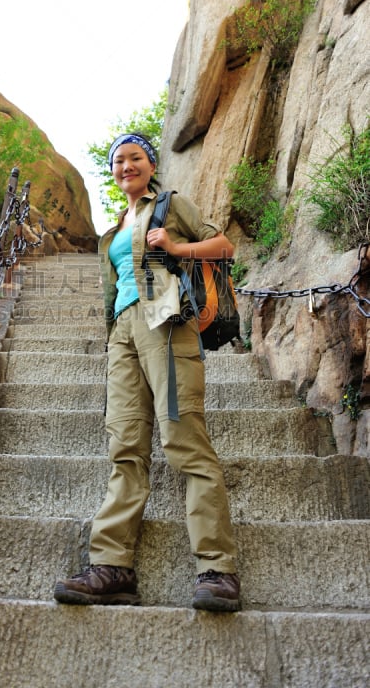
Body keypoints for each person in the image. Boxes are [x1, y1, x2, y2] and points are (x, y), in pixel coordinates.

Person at [54, 132, 240, 612]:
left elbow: (225, 247)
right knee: (125, 446)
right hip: (123, 334)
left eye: (134, 157)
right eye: (118, 161)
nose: (125, 166)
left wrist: (177, 249)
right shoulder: (115, 229)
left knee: (183, 440)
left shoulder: (171, 205)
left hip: (166, 323)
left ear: (151, 163)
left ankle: (217, 569)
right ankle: (113, 567)